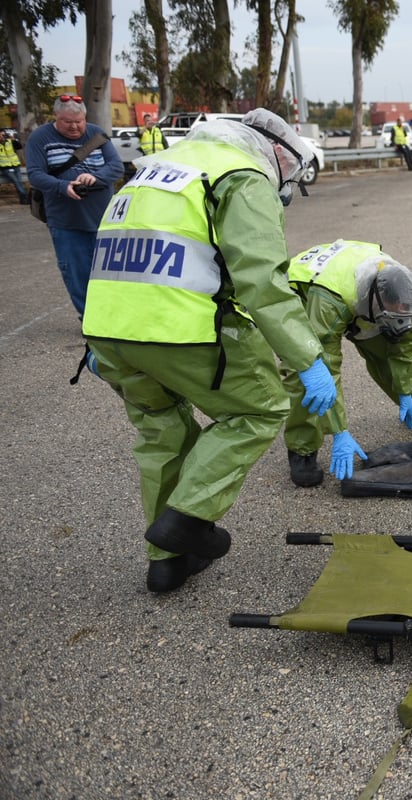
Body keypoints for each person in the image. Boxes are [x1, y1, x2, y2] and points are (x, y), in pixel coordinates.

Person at [82, 108, 342, 594]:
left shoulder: (157, 168)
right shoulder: (240, 175)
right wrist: (308, 359)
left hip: (108, 326)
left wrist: (105, 334)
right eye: (292, 173)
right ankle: (185, 520)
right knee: (259, 410)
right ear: (277, 151)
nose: (287, 186)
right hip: (176, 327)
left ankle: (167, 563)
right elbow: (262, 282)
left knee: (161, 435)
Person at [282, 239, 412, 487]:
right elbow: (326, 366)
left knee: (390, 343)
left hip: (354, 291)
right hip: (307, 294)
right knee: (309, 372)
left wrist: (406, 389)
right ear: (374, 302)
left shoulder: (399, 288)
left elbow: (406, 345)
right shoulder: (330, 303)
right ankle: (302, 447)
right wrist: (340, 431)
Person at [24, 94, 125, 318]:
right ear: (56, 117)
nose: (75, 127)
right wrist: (62, 186)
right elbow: (35, 175)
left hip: (104, 219)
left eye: (79, 121)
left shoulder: (96, 133)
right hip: (66, 221)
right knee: (77, 273)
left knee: (111, 272)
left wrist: (95, 177)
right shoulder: (40, 138)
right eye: (68, 122)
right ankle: (89, 318)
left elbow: (116, 167)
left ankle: (113, 315)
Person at [0, 129, 30, 204]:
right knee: (17, 182)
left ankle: (23, 200)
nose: (3, 136)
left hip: (15, 165)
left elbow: (19, 147)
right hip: (5, 167)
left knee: (19, 182)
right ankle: (25, 197)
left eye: (4, 134)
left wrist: (13, 139)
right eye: (1, 134)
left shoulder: (10, 142)